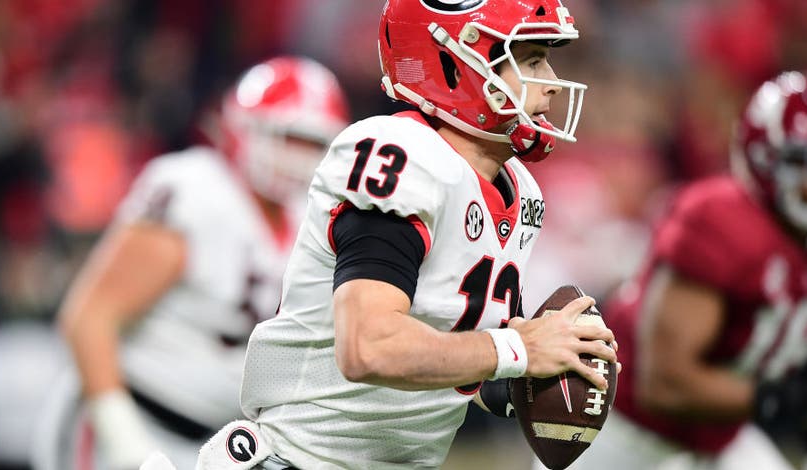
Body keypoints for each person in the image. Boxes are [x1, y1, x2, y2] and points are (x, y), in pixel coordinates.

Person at [194, 1, 619, 469]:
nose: (552, 81)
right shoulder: (402, 156)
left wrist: (553, 370)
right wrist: (520, 348)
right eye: (532, 59)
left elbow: (461, 366)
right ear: (457, 66)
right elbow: (368, 347)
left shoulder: (520, 192)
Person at [542, 70, 807, 470]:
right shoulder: (718, 222)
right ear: (766, 157)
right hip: (623, 430)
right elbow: (664, 386)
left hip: (722, 434)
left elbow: (796, 331)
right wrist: (795, 399)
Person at [31, 56, 350, 470]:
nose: (300, 156)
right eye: (288, 136)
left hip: (214, 444)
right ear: (243, 129)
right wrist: (127, 442)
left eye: (315, 142)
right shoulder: (194, 191)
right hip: (133, 421)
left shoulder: (310, 220)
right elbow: (88, 320)